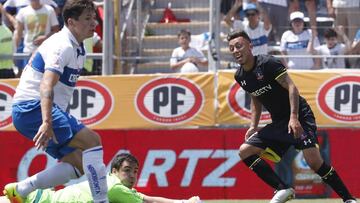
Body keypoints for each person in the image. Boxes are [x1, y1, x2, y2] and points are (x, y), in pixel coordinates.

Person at [227, 30, 357, 203]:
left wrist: (294, 117)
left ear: (250, 46)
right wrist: (253, 125)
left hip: (300, 116)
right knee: (245, 151)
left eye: (239, 46)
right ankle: (283, 189)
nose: (235, 50)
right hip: (280, 122)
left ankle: (349, 199)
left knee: (313, 162)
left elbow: (292, 88)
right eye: (231, 48)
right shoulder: (240, 76)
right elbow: (255, 98)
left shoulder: (268, 63)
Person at [4, 1, 109, 203]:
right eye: (88, 18)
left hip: (31, 110)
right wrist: (46, 121)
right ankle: (102, 201)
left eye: (94, 17)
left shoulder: (77, 47)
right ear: (71, 22)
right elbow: (46, 85)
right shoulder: (62, 45)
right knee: (92, 141)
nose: (94, 23)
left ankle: (20, 190)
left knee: (78, 164)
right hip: (32, 107)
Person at [0, 153, 202, 203]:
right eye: (127, 170)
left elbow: (146, 198)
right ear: (114, 171)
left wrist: (183, 201)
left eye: (135, 171)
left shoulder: (111, 184)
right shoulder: (114, 188)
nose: (132, 176)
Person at [14, 0, 60, 76]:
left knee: (44, 78)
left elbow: (56, 30)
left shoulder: (49, 10)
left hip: (46, 53)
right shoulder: (23, 12)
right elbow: (18, 34)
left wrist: (45, 38)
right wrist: (15, 52)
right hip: (28, 53)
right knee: (27, 78)